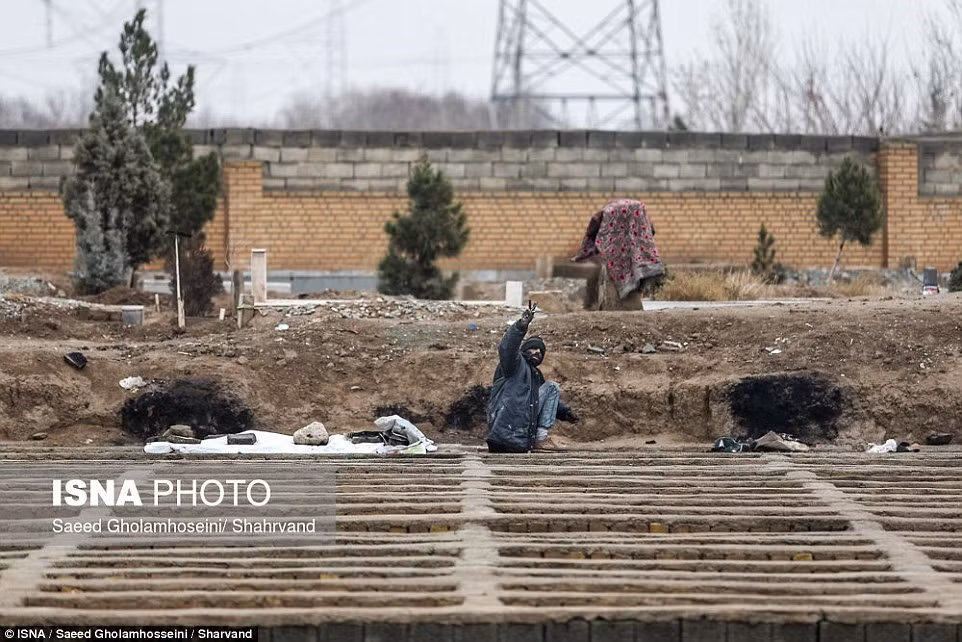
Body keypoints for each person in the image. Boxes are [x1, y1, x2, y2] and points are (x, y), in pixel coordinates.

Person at [485, 300, 579, 453]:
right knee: (552, 387)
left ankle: (537, 440)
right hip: (504, 433)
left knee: (549, 389)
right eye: (533, 349)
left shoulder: (535, 374)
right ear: (524, 350)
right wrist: (521, 326)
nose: (537, 353)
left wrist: (565, 412)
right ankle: (541, 439)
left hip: (519, 440)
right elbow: (507, 348)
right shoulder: (514, 365)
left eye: (541, 352)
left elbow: (541, 397)